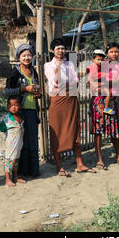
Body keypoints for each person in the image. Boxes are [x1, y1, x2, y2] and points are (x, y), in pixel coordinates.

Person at [44, 38, 95, 176]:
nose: (61, 51)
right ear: (52, 50)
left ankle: (80, 163)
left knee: (75, 130)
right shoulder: (48, 65)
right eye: (58, 48)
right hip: (57, 101)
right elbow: (55, 83)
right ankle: (59, 165)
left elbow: (77, 82)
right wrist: (65, 81)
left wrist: (66, 83)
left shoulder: (70, 65)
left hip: (71, 100)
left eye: (62, 48)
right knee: (57, 131)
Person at [90, 42, 119, 170]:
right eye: (111, 51)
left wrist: (104, 84)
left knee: (113, 126)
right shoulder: (102, 64)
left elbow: (117, 80)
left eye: (116, 51)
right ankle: (99, 158)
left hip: (112, 99)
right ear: (107, 53)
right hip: (98, 99)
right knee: (98, 128)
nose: (114, 54)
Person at [5, 44, 42, 182]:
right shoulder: (14, 72)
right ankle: (20, 173)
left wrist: (39, 95)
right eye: (24, 55)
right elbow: (7, 91)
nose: (27, 58)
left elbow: (37, 88)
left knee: (32, 141)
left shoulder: (34, 71)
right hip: (19, 112)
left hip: (32, 110)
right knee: (21, 143)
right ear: (18, 57)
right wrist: (24, 88)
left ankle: (34, 170)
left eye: (29, 55)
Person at [0, 95, 26, 187]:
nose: (13, 107)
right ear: (8, 107)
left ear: (20, 106)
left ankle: (15, 177)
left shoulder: (20, 117)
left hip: (18, 144)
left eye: (16, 105)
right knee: (9, 160)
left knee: (16, 160)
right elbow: (1, 128)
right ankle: (7, 179)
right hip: (10, 144)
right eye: (11, 105)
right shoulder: (7, 119)